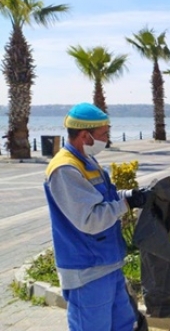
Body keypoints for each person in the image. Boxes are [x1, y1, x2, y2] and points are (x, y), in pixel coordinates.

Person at [43, 102, 148, 331]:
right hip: (87, 272)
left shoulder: (87, 161)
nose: (106, 139)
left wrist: (129, 196)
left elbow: (104, 199)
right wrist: (126, 204)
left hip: (107, 263)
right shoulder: (65, 169)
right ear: (85, 135)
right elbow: (90, 220)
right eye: (103, 134)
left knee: (124, 325)